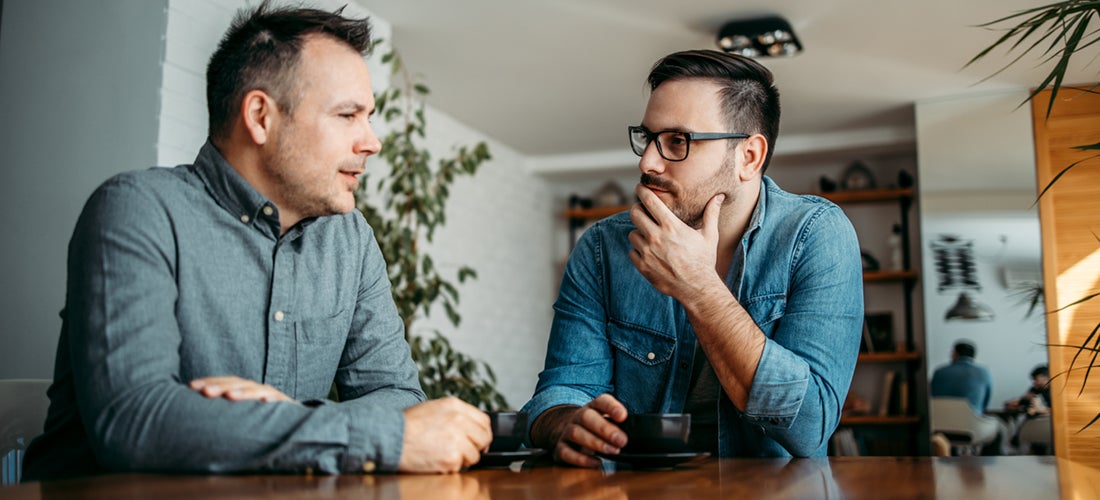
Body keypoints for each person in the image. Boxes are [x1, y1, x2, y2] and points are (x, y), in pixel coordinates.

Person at [23, 1, 490, 480]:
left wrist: (284, 418)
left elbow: (398, 396)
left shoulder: (351, 240)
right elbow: (136, 421)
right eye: (348, 115)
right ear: (261, 117)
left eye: (368, 116)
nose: (372, 141)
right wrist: (320, 426)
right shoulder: (136, 210)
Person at [522, 50, 864, 466]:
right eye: (648, 138)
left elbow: (810, 428)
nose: (648, 161)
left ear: (749, 157)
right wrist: (565, 421)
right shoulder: (601, 248)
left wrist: (698, 287)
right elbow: (561, 391)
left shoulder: (816, 236)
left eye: (677, 141)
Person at [930, 341, 992, 414]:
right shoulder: (983, 372)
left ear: (955, 354)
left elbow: (933, 396)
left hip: (942, 419)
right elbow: (985, 401)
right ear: (973, 356)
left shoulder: (939, 371)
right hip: (973, 421)